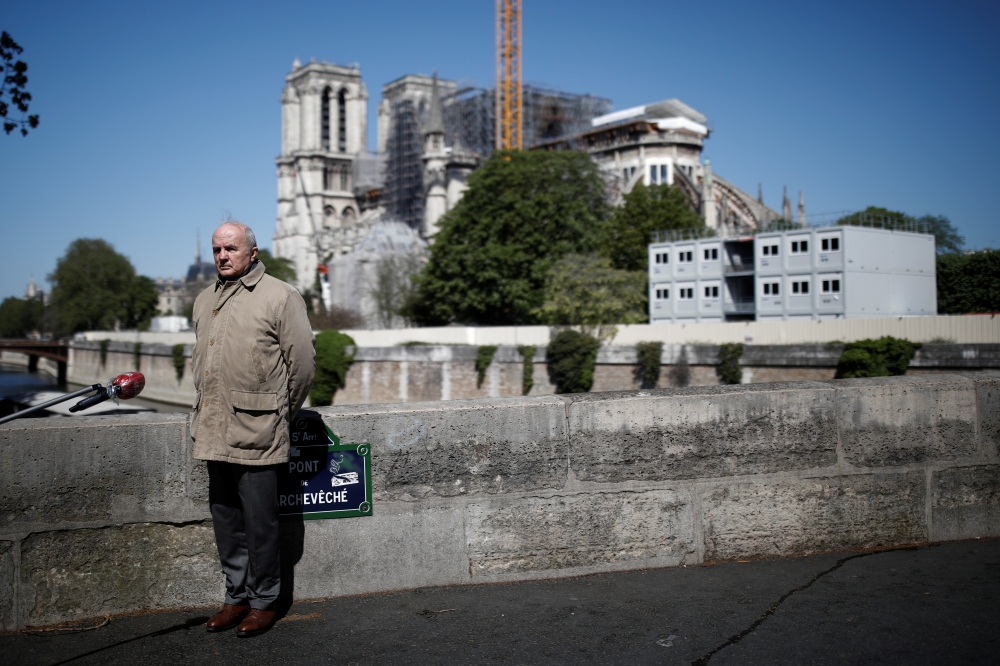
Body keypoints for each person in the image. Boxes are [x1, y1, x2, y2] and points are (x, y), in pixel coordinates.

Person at [190, 221, 314, 638]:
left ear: (253, 252)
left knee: (261, 524)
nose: (223, 255)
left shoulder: (280, 296)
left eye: (231, 248)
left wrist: (279, 415)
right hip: (213, 427)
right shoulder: (205, 300)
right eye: (217, 249)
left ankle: (264, 602)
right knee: (226, 520)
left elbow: (302, 367)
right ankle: (236, 597)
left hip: (259, 430)